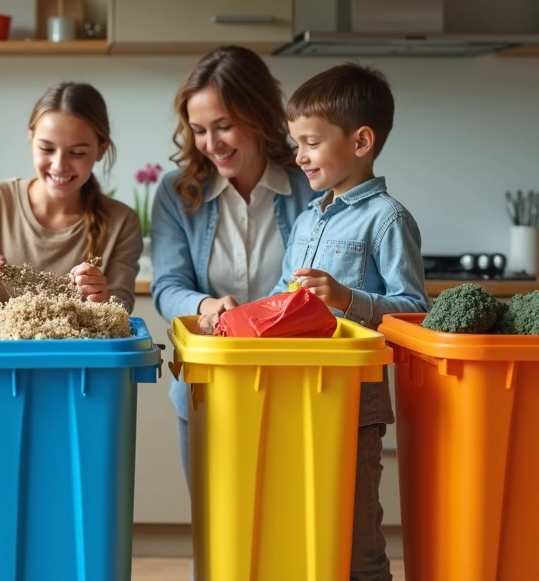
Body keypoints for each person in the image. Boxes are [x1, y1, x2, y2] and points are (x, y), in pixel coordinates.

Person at [272, 62, 427, 580]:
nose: (299, 157)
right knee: (304, 528)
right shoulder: (305, 218)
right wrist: (237, 320)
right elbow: (282, 297)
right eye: (297, 144)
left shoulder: (388, 219)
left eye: (311, 143)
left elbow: (413, 311)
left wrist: (345, 298)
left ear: (361, 141)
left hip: (353, 405)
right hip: (294, 394)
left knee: (358, 541)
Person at [149, 46, 316, 485]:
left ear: (259, 115)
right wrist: (206, 306)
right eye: (200, 130)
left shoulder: (311, 184)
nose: (211, 144)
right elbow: (167, 286)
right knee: (215, 530)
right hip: (208, 385)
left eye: (224, 126)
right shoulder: (176, 192)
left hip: (297, 384)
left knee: (290, 526)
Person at [0, 82, 142, 313]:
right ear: (31, 138)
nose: (60, 166)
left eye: (77, 153)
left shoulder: (122, 221)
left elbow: (121, 309)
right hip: (1, 348)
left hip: (78, 350)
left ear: (101, 150)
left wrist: (101, 296)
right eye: (46, 149)